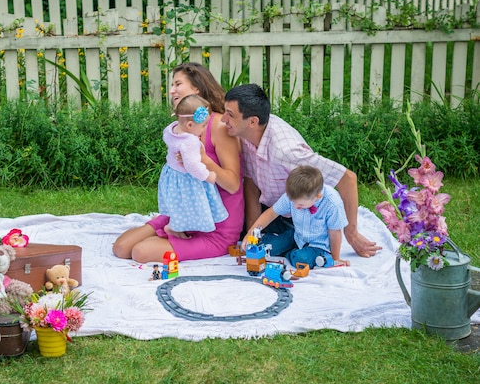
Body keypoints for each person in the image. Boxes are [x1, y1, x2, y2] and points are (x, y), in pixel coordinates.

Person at [222, 84, 381, 258]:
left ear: (253, 121)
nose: (223, 119)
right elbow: (251, 182)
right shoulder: (246, 135)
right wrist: (253, 234)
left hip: (301, 216)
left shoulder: (286, 151)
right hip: (274, 210)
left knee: (277, 251)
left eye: (230, 115)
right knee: (233, 227)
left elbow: (347, 178)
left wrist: (352, 234)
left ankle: (307, 241)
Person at [112, 62, 244, 263]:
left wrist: (204, 160)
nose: (172, 90)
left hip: (216, 224)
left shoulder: (216, 125)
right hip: (186, 213)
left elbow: (234, 185)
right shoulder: (181, 129)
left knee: (141, 252)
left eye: (178, 84)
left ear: (196, 88)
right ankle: (173, 231)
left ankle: (173, 234)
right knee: (121, 248)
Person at [242, 165, 351, 268]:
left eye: (300, 204)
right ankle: (283, 246)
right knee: (266, 248)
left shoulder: (332, 204)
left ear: (317, 197)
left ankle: (290, 253)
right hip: (297, 235)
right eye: (293, 202)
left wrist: (335, 258)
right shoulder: (295, 194)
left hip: (319, 246)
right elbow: (271, 213)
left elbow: (335, 232)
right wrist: (250, 233)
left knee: (301, 259)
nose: (295, 206)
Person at [158, 94, 228, 235]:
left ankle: (175, 225)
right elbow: (192, 165)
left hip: (171, 175)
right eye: (203, 126)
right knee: (193, 205)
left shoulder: (171, 130)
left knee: (178, 204)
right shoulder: (190, 141)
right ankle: (175, 228)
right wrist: (208, 176)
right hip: (186, 179)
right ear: (190, 125)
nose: (204, 130)